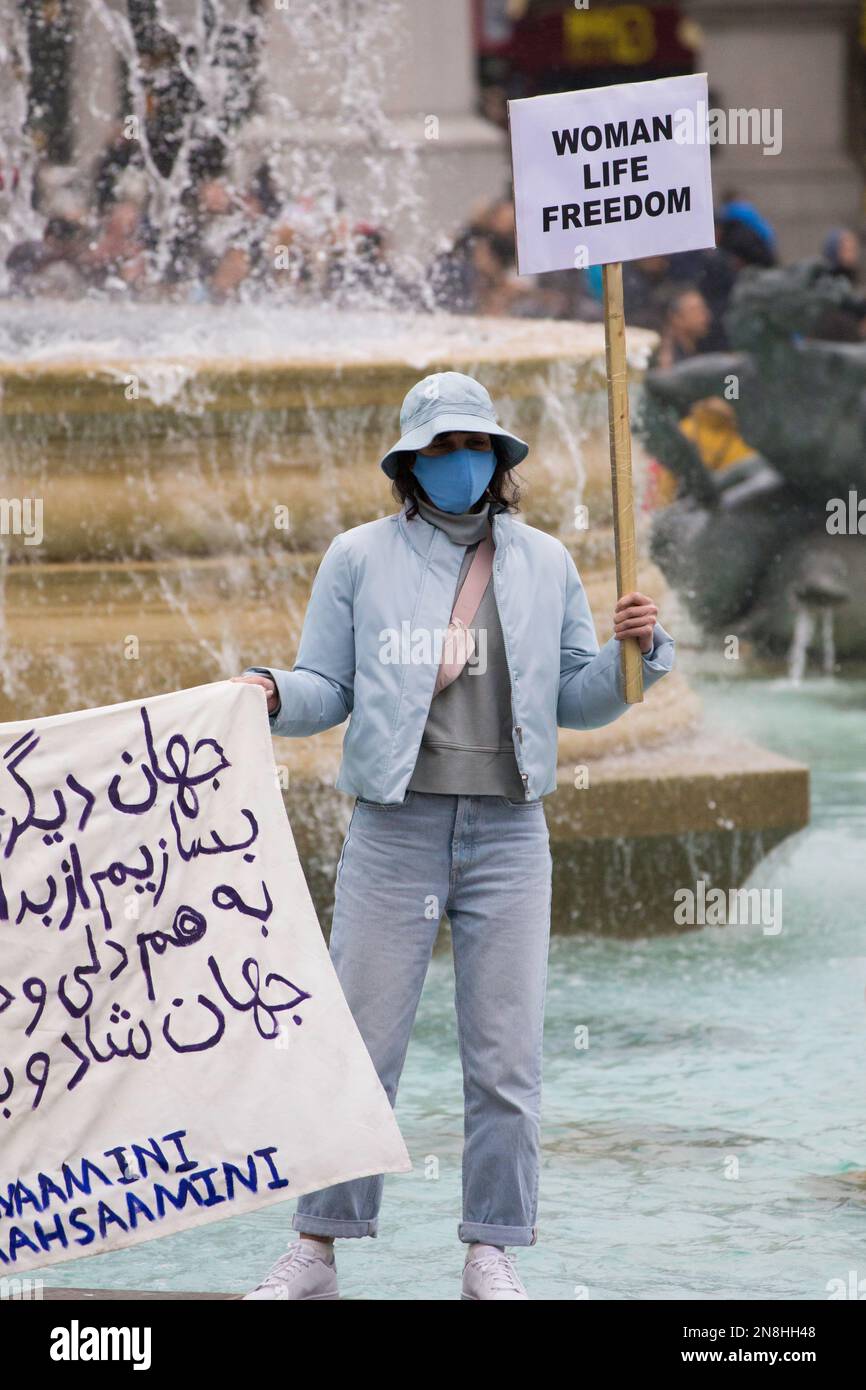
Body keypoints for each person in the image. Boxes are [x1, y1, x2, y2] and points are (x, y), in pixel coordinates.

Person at [232, 371, 675, 1300]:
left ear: (498, 461)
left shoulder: (547, 562)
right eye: (439, 450)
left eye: (472, 447)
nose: (458, 464)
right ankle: (317, 1249)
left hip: (510, 835)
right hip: (396, 831)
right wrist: (272, 691)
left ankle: (491, 1249)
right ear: (409, 465)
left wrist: (634, 651)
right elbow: (330, 686)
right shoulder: (357, 557)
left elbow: (580, 700)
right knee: (359, 1047)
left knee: (507, 1056)